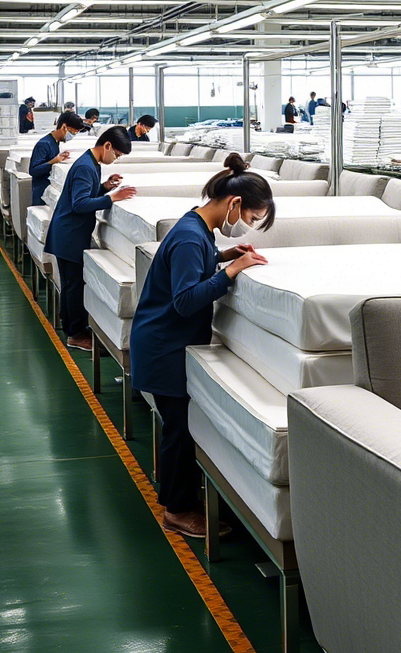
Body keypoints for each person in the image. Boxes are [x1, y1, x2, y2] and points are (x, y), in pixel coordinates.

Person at [131, 154, 275, 538]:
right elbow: (184, 300)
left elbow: (194, 267)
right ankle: (176, 512)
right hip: (164, 346)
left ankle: (180, 498)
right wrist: (229, 272)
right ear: (234, 204)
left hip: (166, 342)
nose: (249, 226)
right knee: (179, 429)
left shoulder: (197, 229)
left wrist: (222, 255)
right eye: (252, 218)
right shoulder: (191, 237)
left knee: (179, 426)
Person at [44, 126, 136, 351]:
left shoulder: (91, 163)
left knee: (70, 284)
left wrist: (104, 187)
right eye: (117, 154)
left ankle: (72, 328)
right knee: (74, 285)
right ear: (106, 146)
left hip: (68, 233)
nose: (116, 159)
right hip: (70, 234)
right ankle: (75, 335)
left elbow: (85, 194)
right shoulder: (86, 166)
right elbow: (80, 203)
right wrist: (112, 198)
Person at [29, 111, 84, 205]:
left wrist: (60, 158)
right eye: (72, 132)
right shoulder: (44, 144)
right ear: (64, 127)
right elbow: (33, 170)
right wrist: (54, 161)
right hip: (41, 191)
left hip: (49, 189)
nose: (72, 136)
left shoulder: (55, 142)